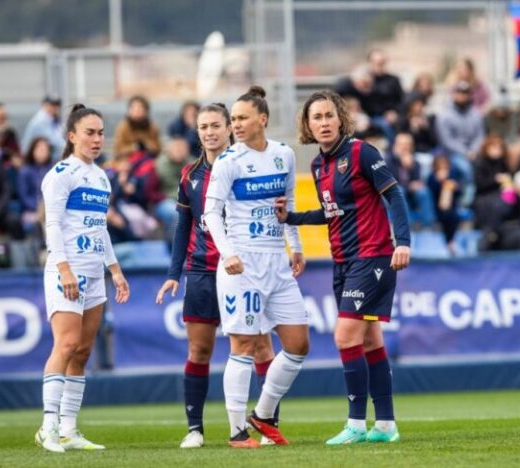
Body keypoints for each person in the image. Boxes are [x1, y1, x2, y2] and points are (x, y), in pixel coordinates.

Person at [274, 89, 411, 444]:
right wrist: (293, 217)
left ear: (341, 119)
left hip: (373, 255)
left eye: (328, 116)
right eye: (316, 117)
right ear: (307, 125)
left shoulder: (361, 152)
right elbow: (333, 211)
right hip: (344, 260)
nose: (323, 123)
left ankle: (354, 423)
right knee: (369, 340)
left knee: (344, 336)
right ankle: (385, 425)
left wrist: (404, 241)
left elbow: (393, 194)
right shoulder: (319, 165)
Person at [154, 103, 281, 448]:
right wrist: (173, 273)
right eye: (203, 126)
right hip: (202, 271)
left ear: (229, 128)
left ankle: (267, 426)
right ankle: (195, 429)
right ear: (197, 132)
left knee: (260, 345)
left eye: (216, 125)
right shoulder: (188, 175)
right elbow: (184, 226)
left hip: (245, 270)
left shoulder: (247, 166)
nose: (209, 132)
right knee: (199, 350)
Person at [203, 86, 309, 448]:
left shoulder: (283, 154)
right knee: (243, 345)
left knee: (298, 343)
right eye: (233, 119)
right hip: (242, 265)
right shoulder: (228, 161)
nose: (236, 124)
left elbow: (288, 202)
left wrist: (295, 247)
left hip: (277, 262)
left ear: (262, 118)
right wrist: (228, 252)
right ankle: (236, 432)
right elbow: (210, 213)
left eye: (242, 117)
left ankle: (262, 415)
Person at [34, 104, 130, 452]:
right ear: (72, 136)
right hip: (68, 270)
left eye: (101, 132)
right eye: (89, 132)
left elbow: (99, 227)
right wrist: (63, 268)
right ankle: (48, 427)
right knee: (66, 344)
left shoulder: (102, 176)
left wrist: (114, 269)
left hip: (94, 272)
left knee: (84, 351)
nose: (97, 138)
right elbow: (53, 225)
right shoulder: (61, 174)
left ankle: (70, 430)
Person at [113, 95, 162, 160]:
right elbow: (117, 151)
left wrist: (147, 145)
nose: (137, 110)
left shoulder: (152, 127)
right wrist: (134, 147)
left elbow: (158, 148)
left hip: (148, 161)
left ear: (146, 110)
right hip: (127, 162)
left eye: (140, 107)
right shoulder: (123, 127)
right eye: (133, 107)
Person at [21, 95, 65, 161]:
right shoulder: (41, 120)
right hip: (35, 162)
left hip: (47, 160)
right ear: (45, 105)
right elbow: (54, 141)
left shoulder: (54, 120)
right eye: (52, 105)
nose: (55, 108)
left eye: (57, 105)